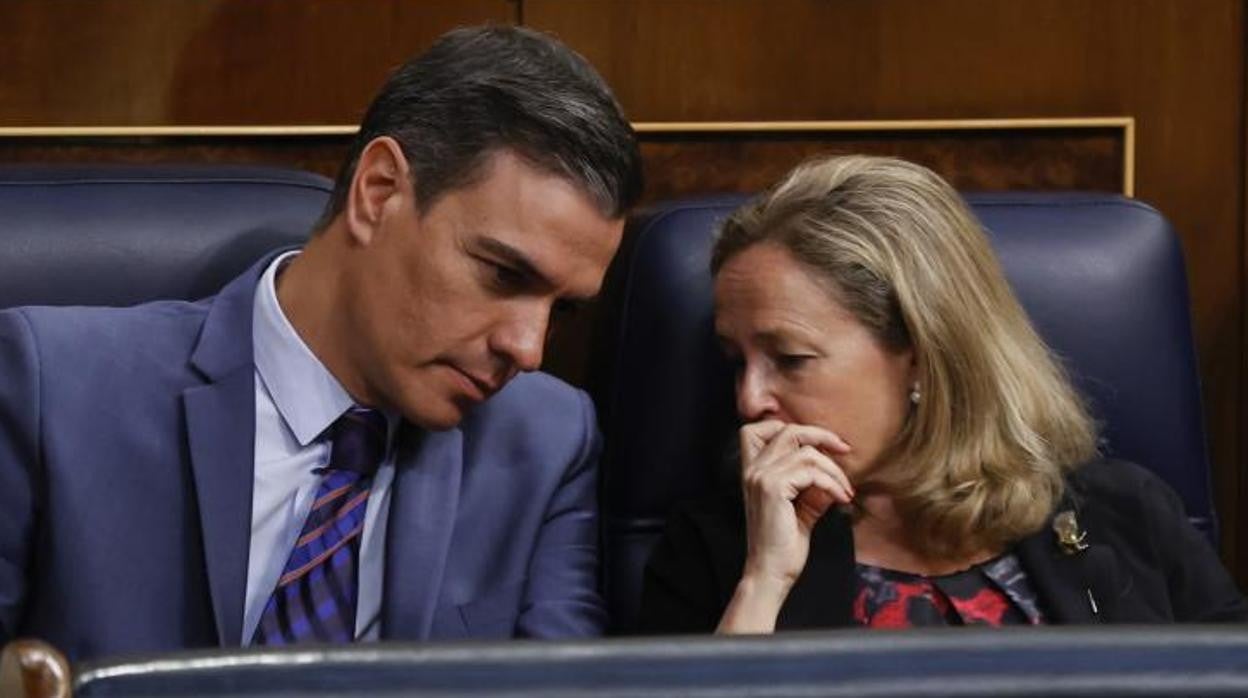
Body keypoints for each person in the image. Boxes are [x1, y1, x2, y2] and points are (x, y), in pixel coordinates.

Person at [0, 26, 642, 661]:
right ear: (379, 192)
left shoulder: (546, 442)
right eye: (503, 274)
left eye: (563, 309)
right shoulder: (50, 390)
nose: (528, 349)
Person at [638, 155, 1247, 633]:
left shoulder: (1124, 514)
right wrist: (764, 582)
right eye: (736, 362)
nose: (749, 402)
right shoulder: (720, 548)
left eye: (790, 360)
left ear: (923, 356)